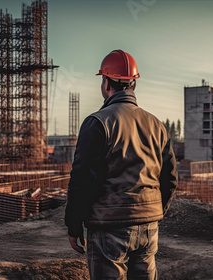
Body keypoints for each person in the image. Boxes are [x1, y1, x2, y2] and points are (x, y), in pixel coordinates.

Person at [65, 49, 178, 280]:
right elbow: (170, 178)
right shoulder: (157, 125)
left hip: (109, 227)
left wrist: (74, 226)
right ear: (133, 84)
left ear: (106, 83)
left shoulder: (97, 122)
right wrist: (154, 212)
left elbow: (83, 181)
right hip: (149, 226)